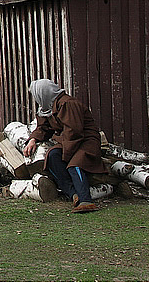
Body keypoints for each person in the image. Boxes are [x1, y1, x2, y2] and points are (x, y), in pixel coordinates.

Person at [23, 79, 107, 213]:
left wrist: (67, 155)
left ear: (43, 94)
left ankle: (86, 200)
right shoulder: (48, 107)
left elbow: (73, 131)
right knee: (52, 156)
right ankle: (73, 194)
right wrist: (33, 139)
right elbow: (44, 128)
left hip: (86, 141)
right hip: (69, 141)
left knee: (75, 164)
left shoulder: (68, 104)